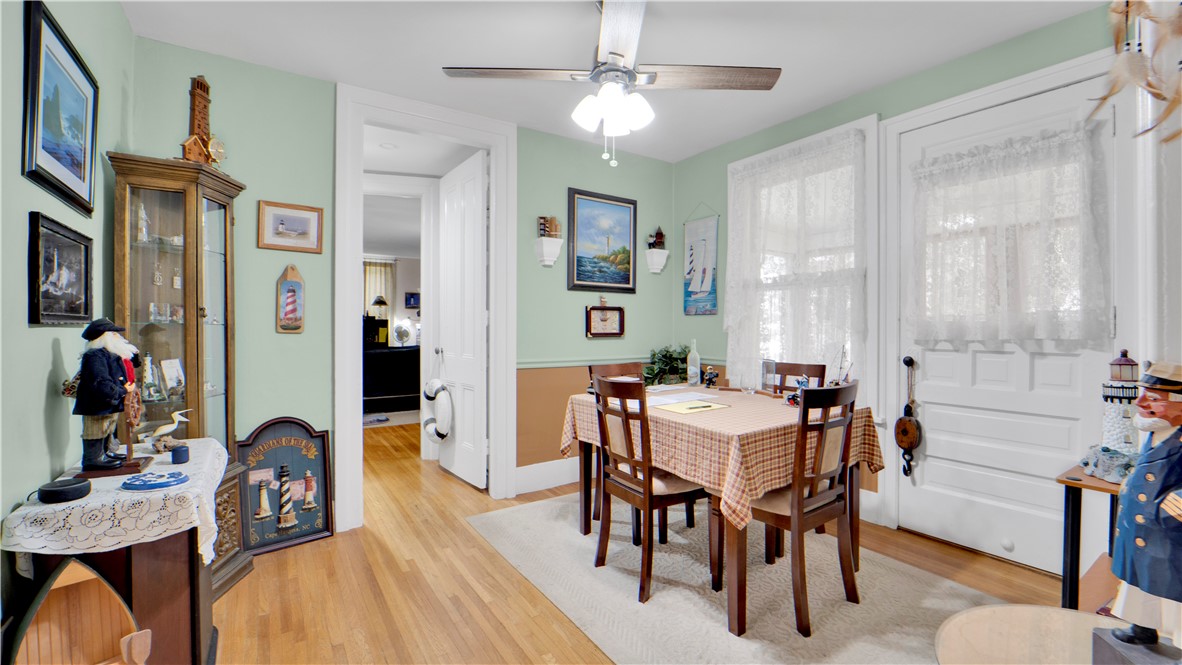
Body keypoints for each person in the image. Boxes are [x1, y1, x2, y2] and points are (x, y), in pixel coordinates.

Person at [1110, 361, 1182, 646]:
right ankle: (1142, 627)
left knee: (1175, 590)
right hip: (1143, 529)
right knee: (1140, 582)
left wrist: (1172, 507)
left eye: (1153, 399)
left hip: (1170, 530)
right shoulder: (1157, 431)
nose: (1140, 402)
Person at [73, 318, 139, 471]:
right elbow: (100, 383)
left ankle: (106, 452)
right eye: (114, 334)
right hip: (97, 404)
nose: (118, 337)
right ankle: (93, 458)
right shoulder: (95, 356)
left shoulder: (109, 355)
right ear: (104, 337)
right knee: (95, 430)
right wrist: (123, 390)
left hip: (109, 403)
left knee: (108, 428)